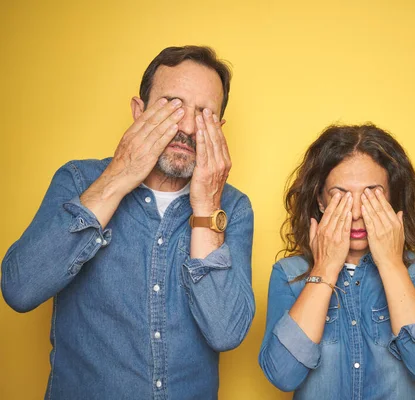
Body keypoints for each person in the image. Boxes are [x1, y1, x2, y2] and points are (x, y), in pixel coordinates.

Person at [1, 45, 255, 399]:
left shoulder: (232, 208)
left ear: (219, 128)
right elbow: (20, 289)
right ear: (140, 111)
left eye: (203, 114)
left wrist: (206, 205)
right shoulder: (79, 180)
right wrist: (118, 177)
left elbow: (226, 331)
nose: (185, 127)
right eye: (172, 105)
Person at [259, 124, 415, 399]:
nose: (354, 213)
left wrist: (391, 264)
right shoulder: (288, 274)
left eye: (371, 194)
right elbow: (282, 374)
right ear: (320, 200)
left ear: (392, 197)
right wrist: (325, 268)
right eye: (340, 195)